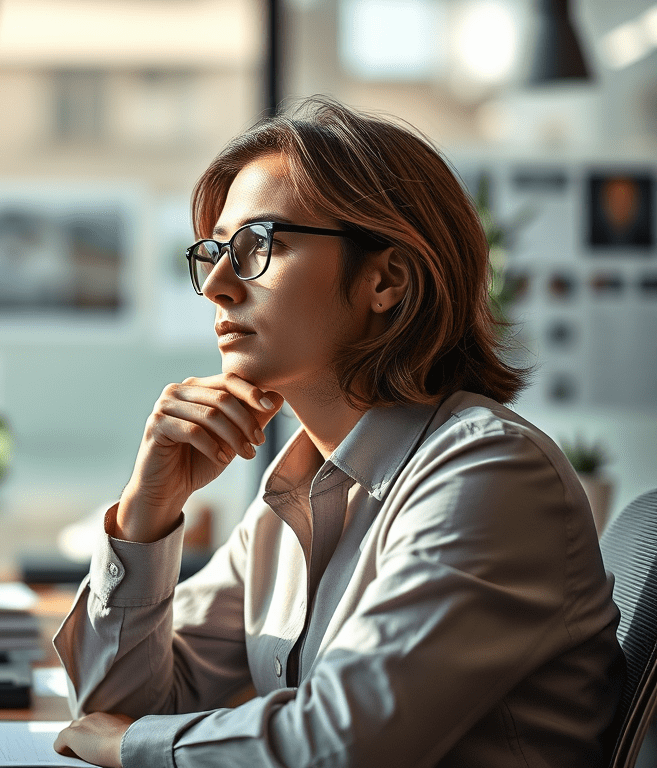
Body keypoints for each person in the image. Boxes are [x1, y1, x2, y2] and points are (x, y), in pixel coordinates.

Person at [51, 97, 624, 768]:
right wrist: (146, 517)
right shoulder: (298, 490)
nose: (215, 285)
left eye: (258, 246)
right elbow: (112, 706)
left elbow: (341, 745)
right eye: (213, 252)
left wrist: (128, 745)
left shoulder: (489, 474)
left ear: (385, 279)